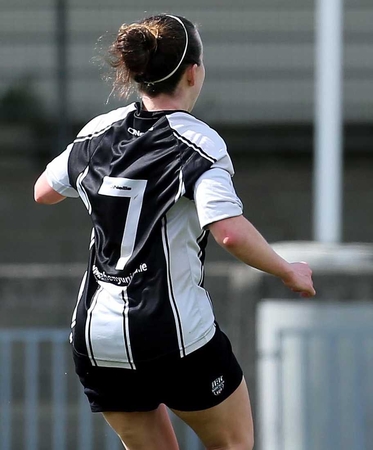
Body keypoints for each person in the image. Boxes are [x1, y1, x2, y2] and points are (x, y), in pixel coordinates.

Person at [33, 14, 315, 450]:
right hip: (172, 334)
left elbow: (44, 192)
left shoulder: (98, 132)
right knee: (233, 443)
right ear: (193, 72)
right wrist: (288, 270)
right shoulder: (198, 143)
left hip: (98, 335)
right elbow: (229, 233)